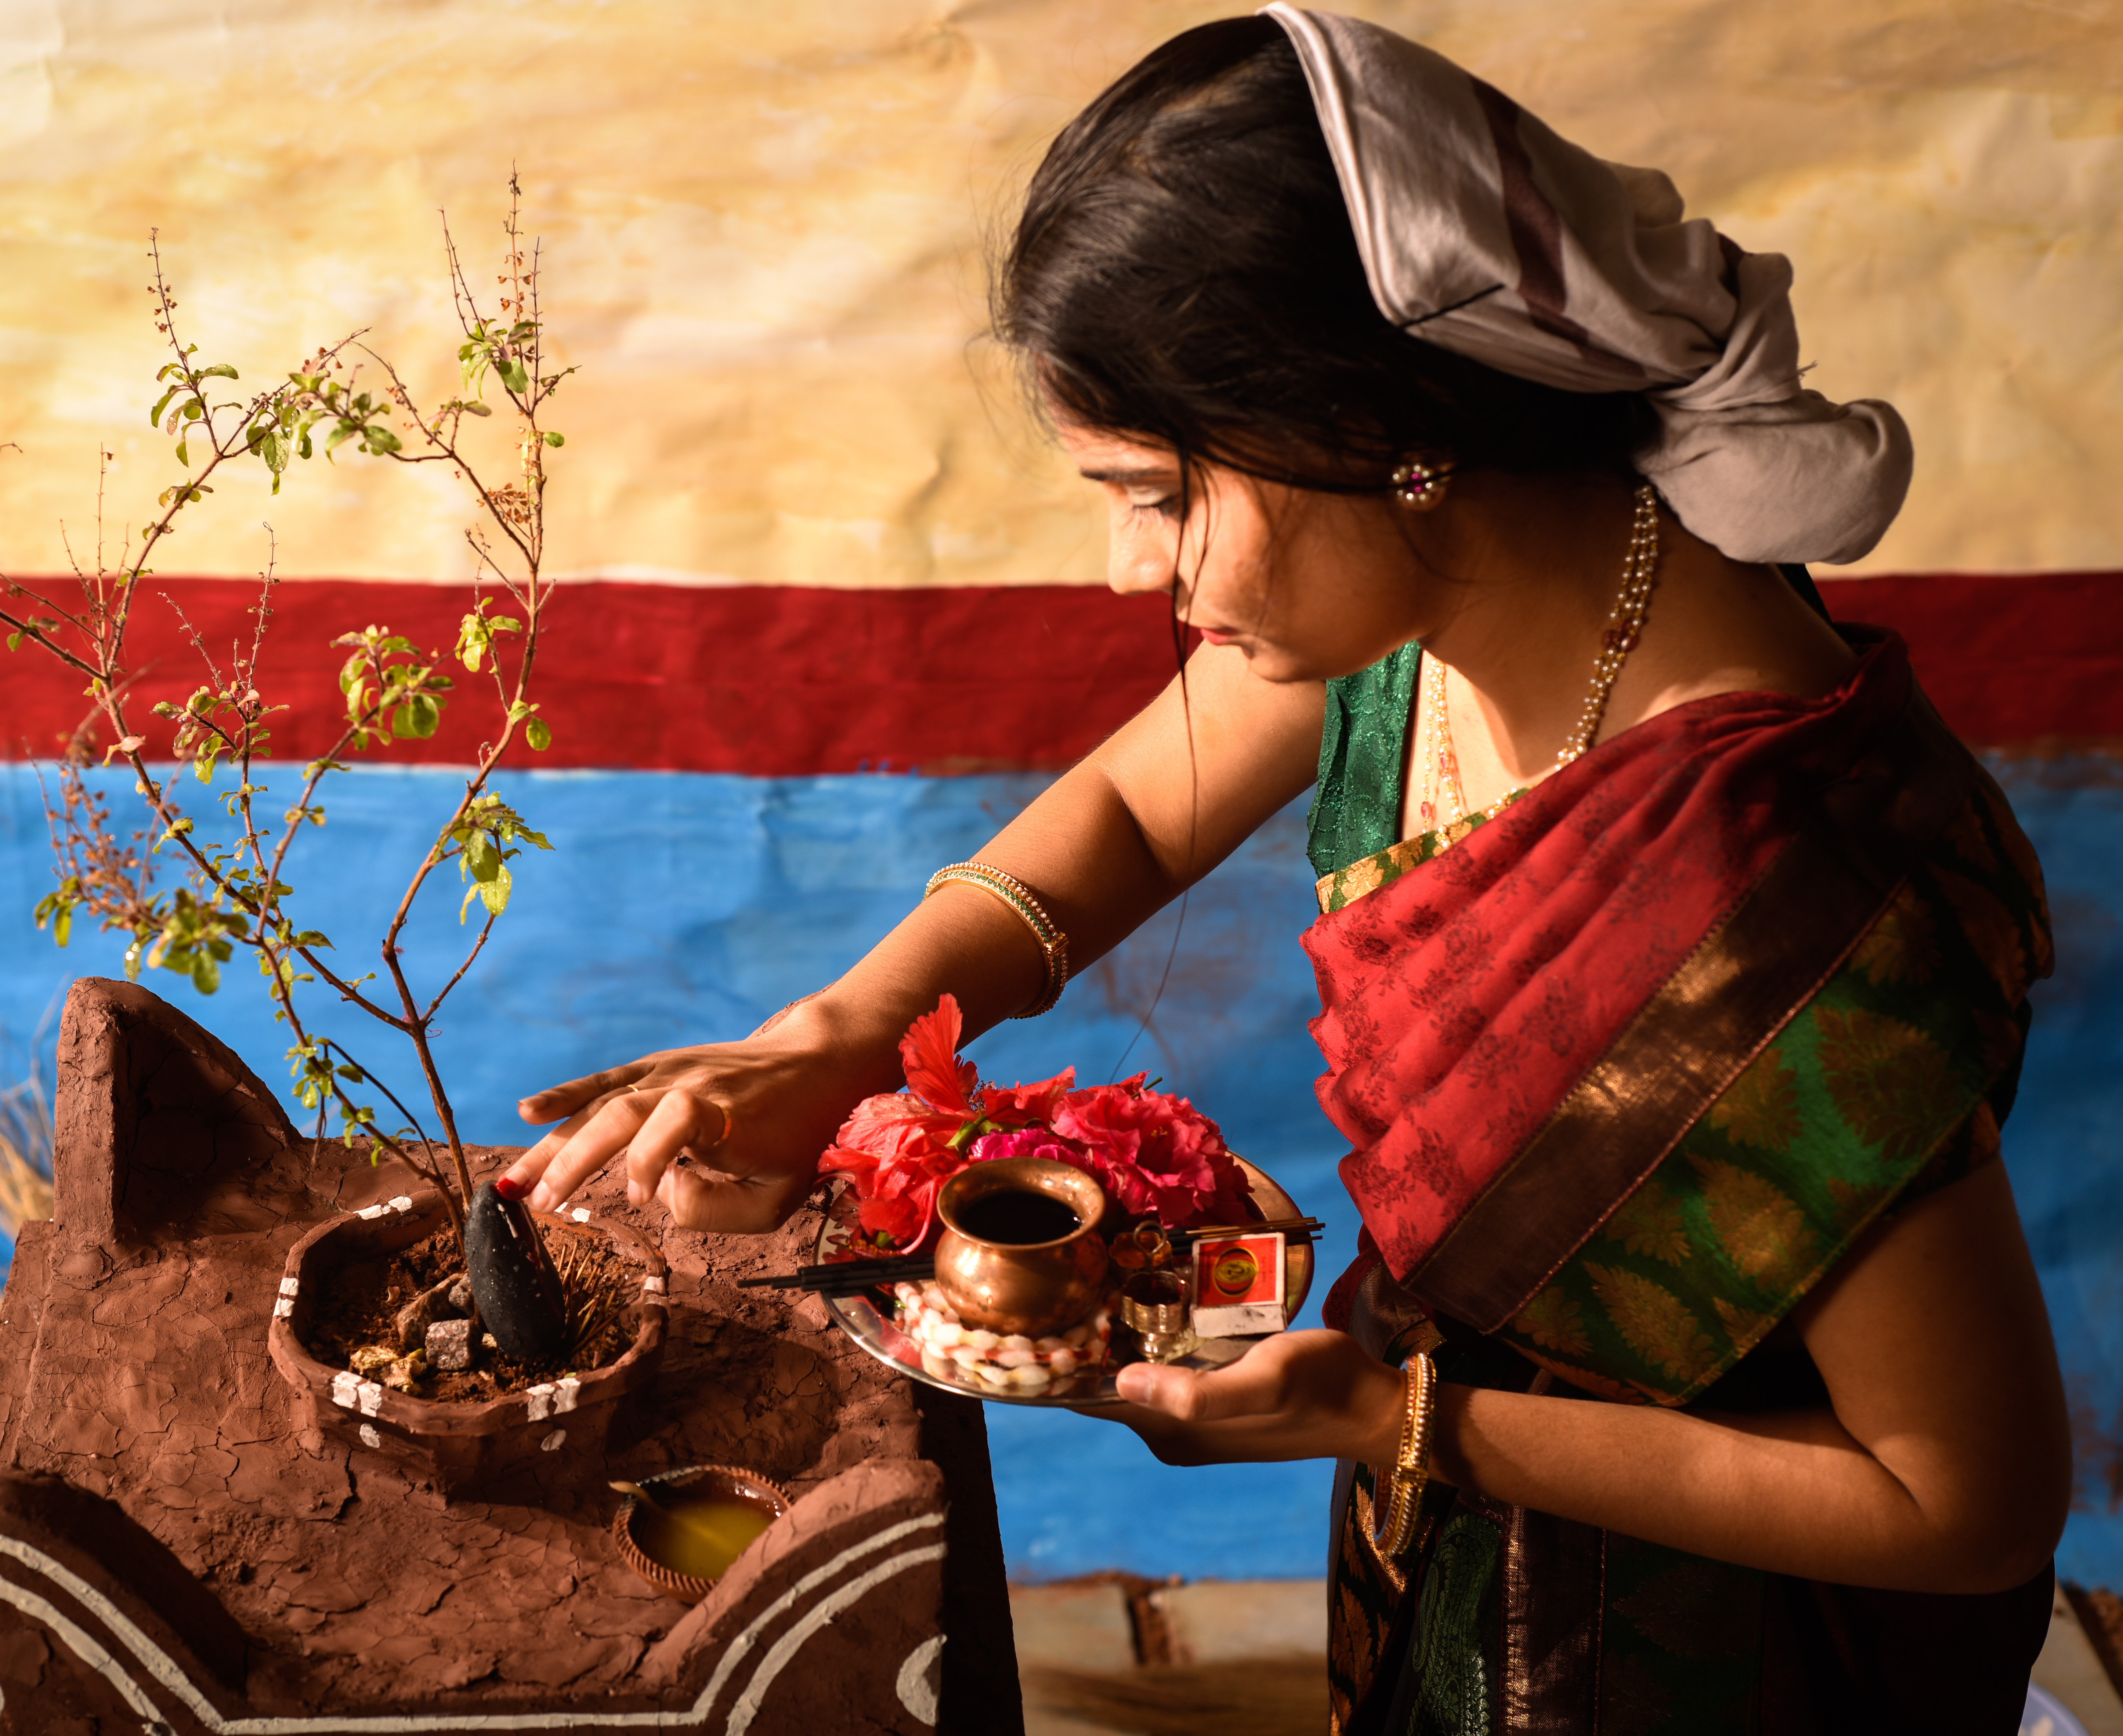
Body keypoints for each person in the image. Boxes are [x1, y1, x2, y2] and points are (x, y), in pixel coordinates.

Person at [502, 10, 2069, 1729]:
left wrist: (1403, 1422)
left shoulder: (1769, 887)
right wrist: (840, 1032)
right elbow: (1128, 815)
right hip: (1447, 1554)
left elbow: (1961, 1507)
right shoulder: (1445, 587)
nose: (1128, 570)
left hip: (1721, 1664)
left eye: (1157, 494)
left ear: (1370, 428)